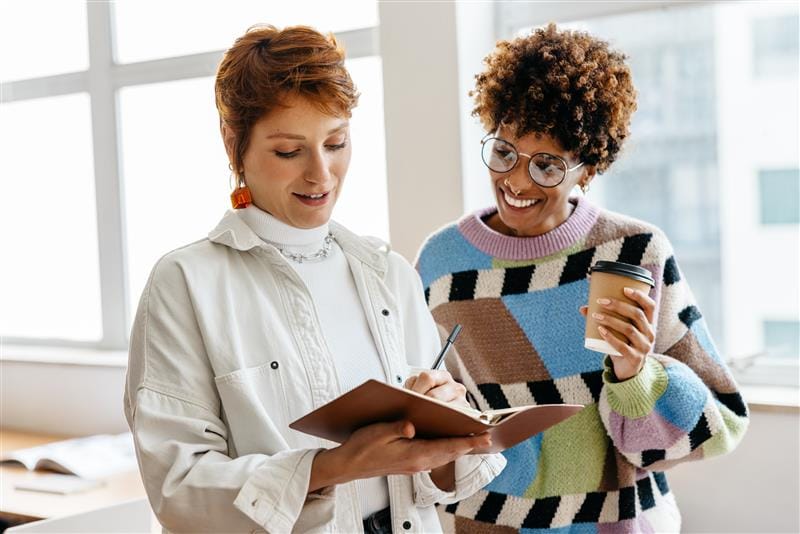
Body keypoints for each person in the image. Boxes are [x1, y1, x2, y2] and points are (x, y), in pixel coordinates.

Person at [124, 24, 505, 533]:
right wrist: (336, 466)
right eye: (289, 151)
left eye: (336, 143)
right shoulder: (185, 284)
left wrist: (446, 431)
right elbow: (179, 488)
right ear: (232, 142)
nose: (321, 174)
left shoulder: (388, 273)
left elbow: (433, 481)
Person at [415, 24, 748, 533]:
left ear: (587, 167)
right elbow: (429, 427)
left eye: (546, 165)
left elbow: (719, 424)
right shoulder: (442, 264)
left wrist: (635, 374)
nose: (517, 181)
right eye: (505, 152)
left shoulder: (635, 252)